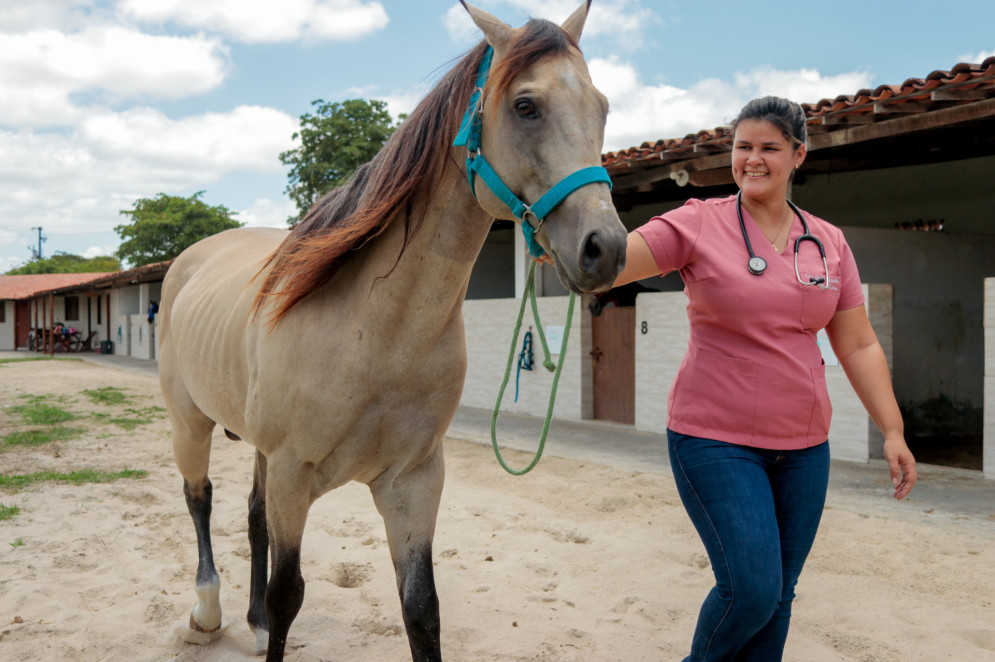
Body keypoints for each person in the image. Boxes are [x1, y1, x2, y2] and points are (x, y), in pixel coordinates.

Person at [612, 96, 917, 661]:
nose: (753, 159)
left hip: (803, 448)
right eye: (743, 147)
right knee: (751, 590)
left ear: (798, 155)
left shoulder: (827, 241)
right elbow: (610, 262)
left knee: (778, 597)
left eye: (769, 148)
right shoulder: (698, 222)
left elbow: (857, 342)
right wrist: (565, 241)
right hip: (714, 438)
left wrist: (892, 430)